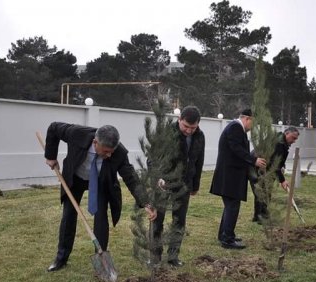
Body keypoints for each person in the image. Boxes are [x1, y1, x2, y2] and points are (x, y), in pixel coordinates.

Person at [43, 122, 157, 272]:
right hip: (75, 178)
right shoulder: (76, 133)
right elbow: (53, 128)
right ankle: (61, 258)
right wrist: (50, 156)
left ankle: (102, 261)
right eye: (106, 151)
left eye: (112, 151)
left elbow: (130, 177)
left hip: (100, 181)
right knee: (69, 215)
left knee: (101, 218)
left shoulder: (119, 153)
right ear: (95, 142)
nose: (109, 155)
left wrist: (146, 201)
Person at [152, 106, 205, 267]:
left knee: (179, 220)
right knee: (157, 219)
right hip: (164, 182)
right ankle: (155, 256)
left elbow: (199, 161)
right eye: (186, 126)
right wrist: (157, 177)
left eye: (193, 127)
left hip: (184, 184)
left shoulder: (199, 136)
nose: (189, 131)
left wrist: (195, 184)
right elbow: (153, 157)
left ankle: (173, 257)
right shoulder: (166, 132)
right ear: (179, 120)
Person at [210, 109, 267, 249]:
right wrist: (253, 160)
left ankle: (224, 234)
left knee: (230, 205)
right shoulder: (235, 127)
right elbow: (236, 149)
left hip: (231, 175)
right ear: (248, 119)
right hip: (230, 175)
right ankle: (227, 239)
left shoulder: (236, 128)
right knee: (232, 206)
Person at [250, 126, 300, 222]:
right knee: (264, 192)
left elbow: (278, 159)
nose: (294, 141)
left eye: (296, 139)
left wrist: (282, 166)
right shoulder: (279, 143)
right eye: (293, 138)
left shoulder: (281, 141)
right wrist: (282, 180)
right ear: (287, 133)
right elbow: (274, 164)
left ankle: (258, 216)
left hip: (261, 166)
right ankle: (263, 217)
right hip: (257, 166)